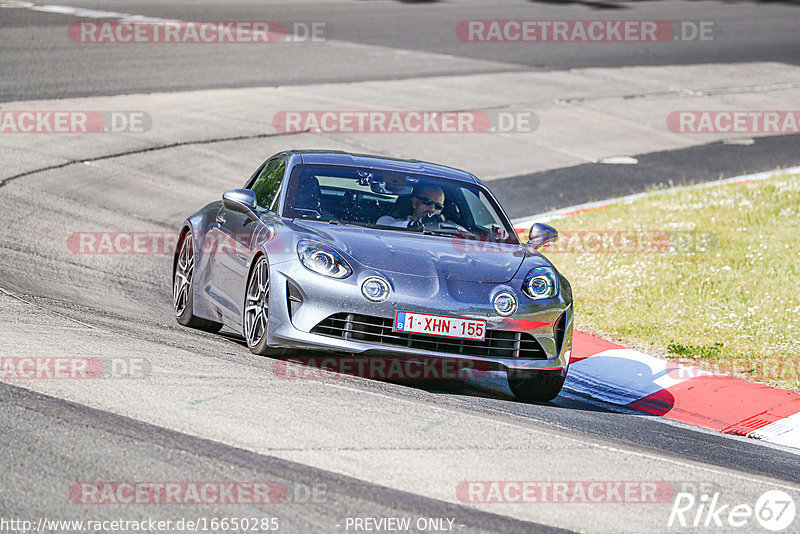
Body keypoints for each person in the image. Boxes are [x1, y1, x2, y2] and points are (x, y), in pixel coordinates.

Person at [376, 185, 446, 228]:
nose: (432, 209)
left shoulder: (446, 230)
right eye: (427, 202)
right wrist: (417, 224)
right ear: (415, 202)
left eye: (438, 206)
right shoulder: (388, 220)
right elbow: (383, 229)